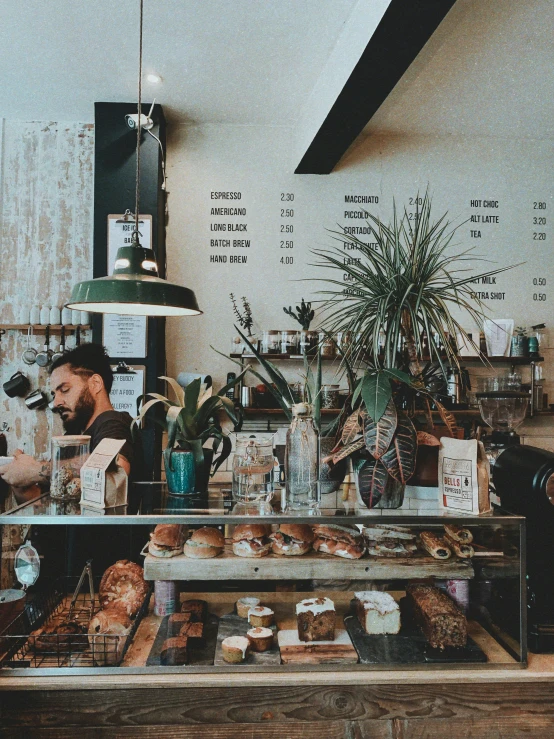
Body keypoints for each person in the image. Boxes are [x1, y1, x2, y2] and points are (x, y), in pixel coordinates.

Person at [0, 343, 136, 491]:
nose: (56, 402)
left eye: (64, 390)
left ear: (95, 384)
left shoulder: (112, 423)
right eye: (54, 394)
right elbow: (39, 503)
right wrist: (20, 478)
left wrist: (35, 470)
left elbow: (117, 467)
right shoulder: (74, 435)